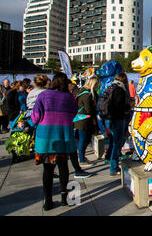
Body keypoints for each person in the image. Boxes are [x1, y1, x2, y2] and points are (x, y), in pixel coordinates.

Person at [31, 72, 77, 210]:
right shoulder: (69, 97)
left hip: (46, 138)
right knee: (63, 167)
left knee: (48, 170)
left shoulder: (43, 95)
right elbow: (74, 114)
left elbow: (35, 117)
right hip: (63, 137)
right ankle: (64, 197)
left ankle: (48, 200)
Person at [104, 72, 131, 176]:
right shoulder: (120, 90)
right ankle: (113, 167)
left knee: (113, 141)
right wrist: (127, 108)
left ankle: (110, 159)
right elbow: (119, 106)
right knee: (117, 143)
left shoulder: (110, 87)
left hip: (108, 119)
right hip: (117, 119)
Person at [74, 76, 99, 166]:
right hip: (84, 120)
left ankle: (82, 157)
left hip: (81, 119)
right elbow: (89, 109)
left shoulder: (82, 92)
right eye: (96, 84)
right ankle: (81, 159)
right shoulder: (86, 94)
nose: (97, 86)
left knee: (83, 140)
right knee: (83, 140)